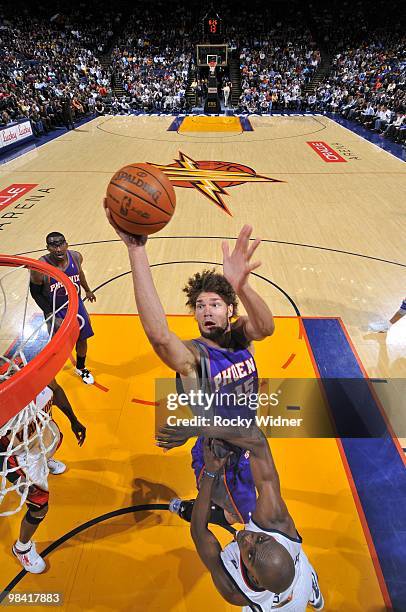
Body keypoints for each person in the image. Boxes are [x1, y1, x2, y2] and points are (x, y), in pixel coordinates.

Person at [104, 200, 275, 521]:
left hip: (248, 438)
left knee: (256, 503)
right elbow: (160, 336)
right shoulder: (194, 357)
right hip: (220, 453)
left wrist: (243, 286)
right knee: (242, 517)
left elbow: (266, 327)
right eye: (200, 305)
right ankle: (196, 511)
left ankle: (200, 508)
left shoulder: (241, 337)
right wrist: (137, 251)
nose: (207, 309)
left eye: (216, 303)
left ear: (230, 310)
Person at [159, 431, 324, 610]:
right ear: (278, 542)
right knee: (300, 571)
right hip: (299, 575)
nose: (246, 538)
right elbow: (258, 442)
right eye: (260, 538)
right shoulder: (277, 524)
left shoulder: (235, 590)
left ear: (254, 579)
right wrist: (194, 429)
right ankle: (310, 581)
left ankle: (308, 586)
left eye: (250, 555)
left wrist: (210, 472)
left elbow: (198, 531)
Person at [0, 378, 86, 573]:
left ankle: (45, 462)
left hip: (39, 435)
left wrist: (73, 419)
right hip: (18, 456)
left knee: (54, 440)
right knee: (39, 505)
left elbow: (55, 389)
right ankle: (22, 548)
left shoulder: (29, 362)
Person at [30, 232, 96, 384]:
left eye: (61, 244)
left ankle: (81, 368)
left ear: (67, 244)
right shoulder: (40, 267)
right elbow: (36, 294)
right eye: (54, 246)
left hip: (76, 305)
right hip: (54, 308)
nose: (58, 249)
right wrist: (50, 314)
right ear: (48, 248)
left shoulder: (76, 257)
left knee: (82, 338)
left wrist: (87, 289)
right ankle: (50, 372)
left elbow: (79, 274)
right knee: (57, 345)